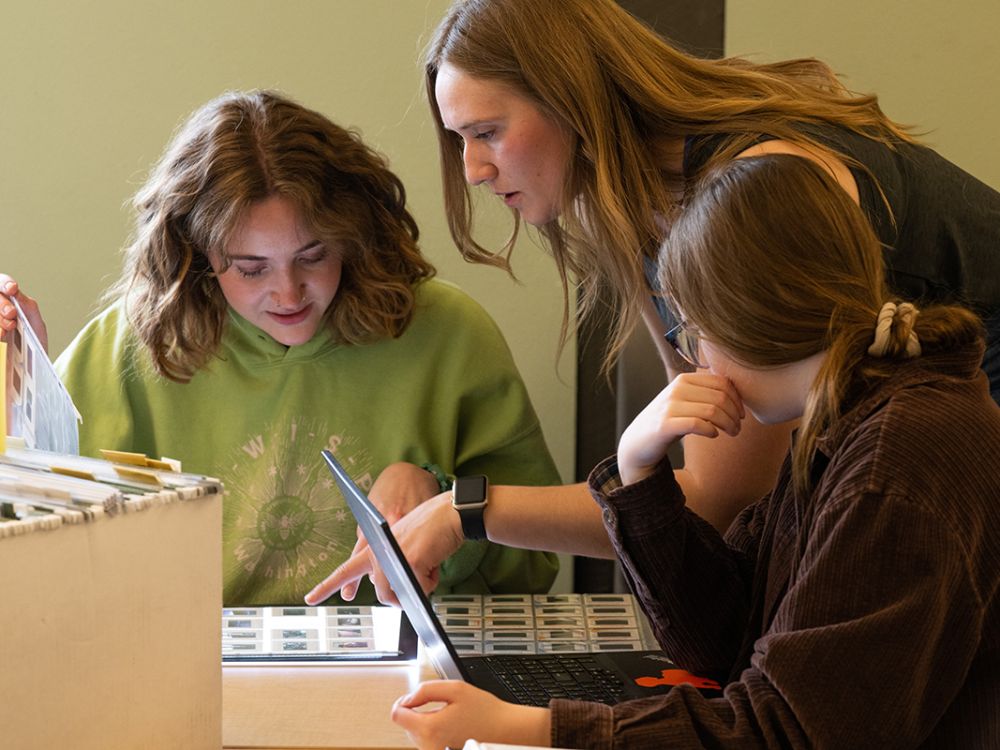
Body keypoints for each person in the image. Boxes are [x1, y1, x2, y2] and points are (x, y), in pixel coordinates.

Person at [385, 154, 1000, 749]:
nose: (696, 358)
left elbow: (784, 731)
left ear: (746, 317)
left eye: (689, 331)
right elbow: (728, 644)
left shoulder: (893, 459)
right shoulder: (847, 421)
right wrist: (638, 469)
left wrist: (527, 727)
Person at [417, 0, 1000, 534]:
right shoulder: (635, 202)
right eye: (459, 142)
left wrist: (465, 511)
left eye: (487, 134)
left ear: (570, 99)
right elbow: (707, 430)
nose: (472, 171)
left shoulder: (752, 192)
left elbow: (724, 499)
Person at [0, 89, 560, 606]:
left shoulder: (449, 334)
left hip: (408, 679)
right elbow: (35, 562)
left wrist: (442, 503)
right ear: (196, 257)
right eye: (250, 268)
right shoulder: (129, 348)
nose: (288, 292)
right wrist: (20, 403)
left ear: (354, 235)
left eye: (315, 256)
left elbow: (536, 563)